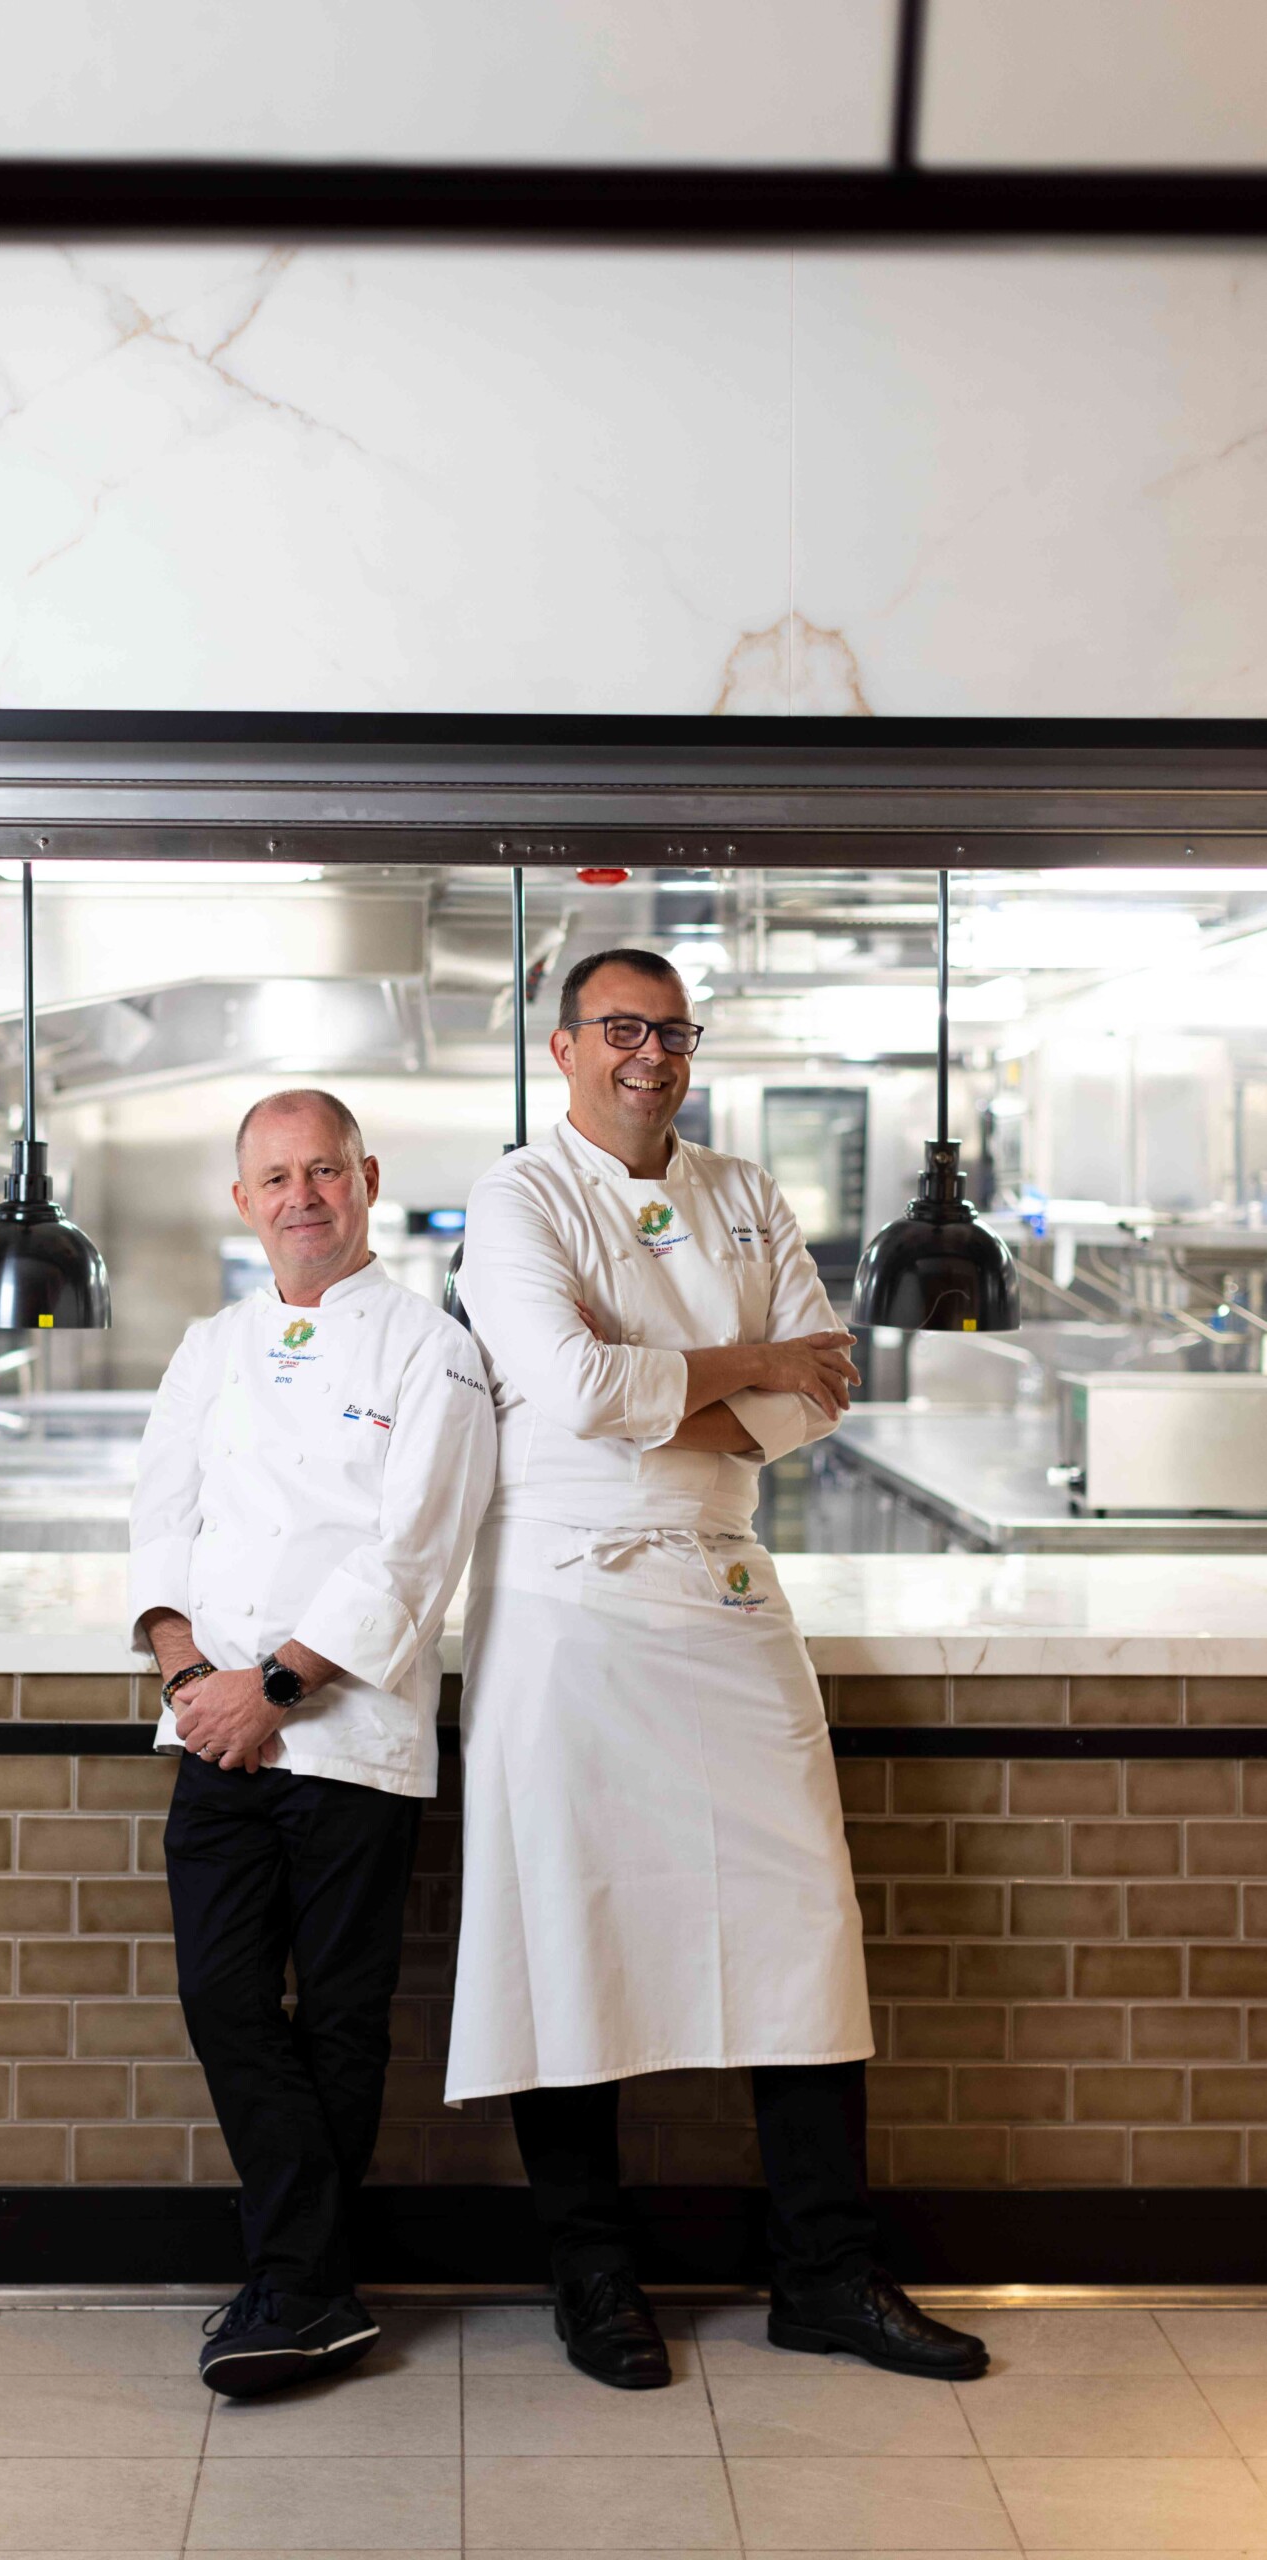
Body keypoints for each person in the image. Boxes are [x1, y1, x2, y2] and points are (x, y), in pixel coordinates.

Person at [445, 948, 987, 2391]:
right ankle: (594, 2281)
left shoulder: (744, 1190)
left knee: (802, 1919)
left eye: (672, 1033)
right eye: (620, 1029)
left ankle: (821, 2276)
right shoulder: (518, 1195)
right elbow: (566, 1390)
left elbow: (813, 1397)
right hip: (564, 1603)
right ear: (562, 1047)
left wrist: (669, 1390)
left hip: (730, 1582)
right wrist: (735, 1361)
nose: (649, 1055)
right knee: (568, 1934)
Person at [130, 1087, 496, 2398]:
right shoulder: (208, 1347)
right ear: (243, 1201)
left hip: (350, 1740)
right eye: (276, 1177)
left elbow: (415, 1555)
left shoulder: (431, 1350)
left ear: (366, 1181)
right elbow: (159, 1530)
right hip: (215, 1740)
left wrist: (270, 1685)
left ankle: (291, 2291)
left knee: (339, 2022)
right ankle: (310, 2284)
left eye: (324, 1172)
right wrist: (191, 1679)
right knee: (225, 2002)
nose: (302, 1196)